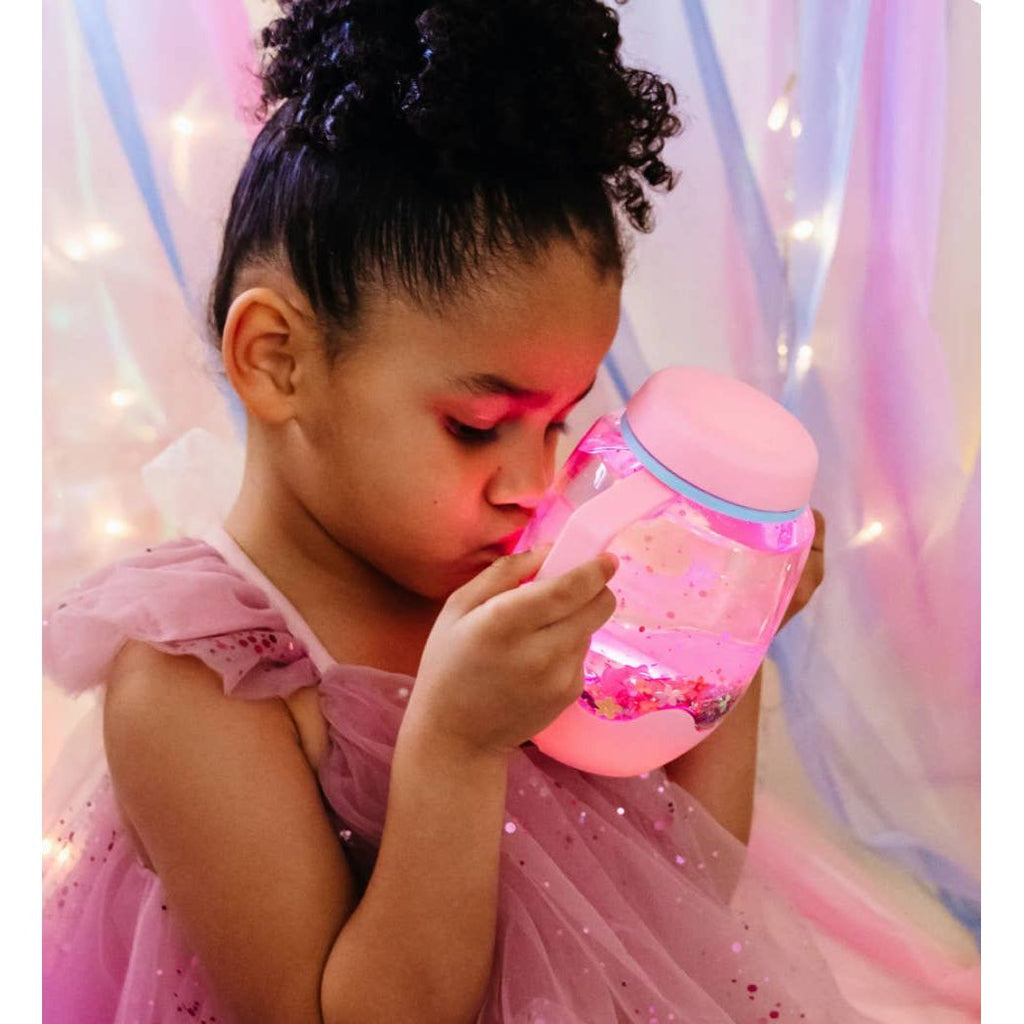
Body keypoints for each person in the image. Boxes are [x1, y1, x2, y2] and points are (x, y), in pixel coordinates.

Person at [42, 1, 849, 1021]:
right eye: (477, 426)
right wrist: (456, 747)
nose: (530, 484)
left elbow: (679, 901)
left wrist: (728, 645)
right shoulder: (194, 688)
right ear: (277, 359)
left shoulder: (503, 581)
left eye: (558, 424)